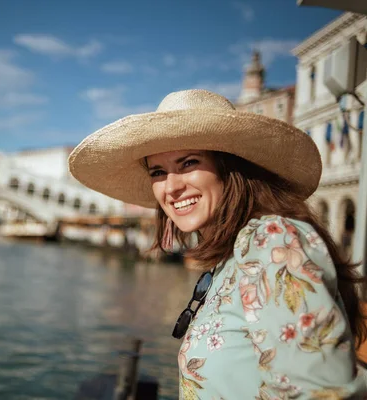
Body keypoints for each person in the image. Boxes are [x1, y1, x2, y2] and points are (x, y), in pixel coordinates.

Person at [68, 89, 367, 398]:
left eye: (188, 163)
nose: (171, 187)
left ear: (230, 168)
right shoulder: (234, 256)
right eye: (158, 171)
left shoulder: (270, 241)